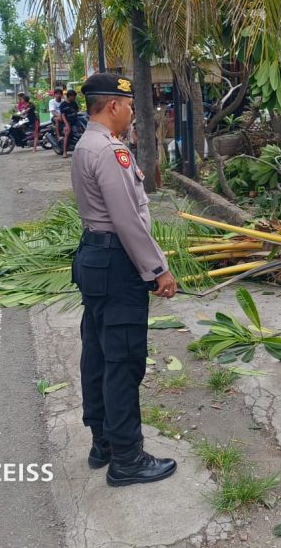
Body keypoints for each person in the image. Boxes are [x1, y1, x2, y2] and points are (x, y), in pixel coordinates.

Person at [70, 72, 178, 487]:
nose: (133, 112)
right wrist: (157, 269)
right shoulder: (109, 151)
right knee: (123, 359)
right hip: (117, 264)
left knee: (98, 353)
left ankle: (103, 443)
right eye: (130, 105)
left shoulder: (85, 144)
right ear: (113, 105)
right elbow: (127, 219)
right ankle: (127, 458)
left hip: (96, 259)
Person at [60, 88, 82, 158]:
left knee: (82, 130)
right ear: (69, 96)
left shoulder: (74, 103)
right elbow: (62, 115)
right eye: (73, 96)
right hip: (67, 121)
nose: (74, 98)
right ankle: (64, 152)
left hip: (75, 120)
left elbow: (77, 111)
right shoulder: (63, 104)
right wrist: (66, 124)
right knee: (67, 133)